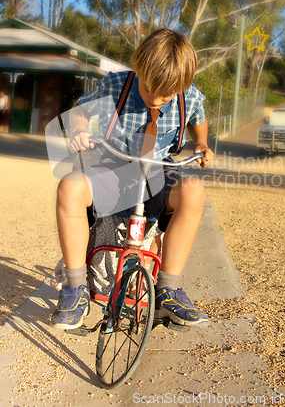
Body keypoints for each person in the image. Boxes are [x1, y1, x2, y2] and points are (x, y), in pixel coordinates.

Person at [51, 29, 214, 330]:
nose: (156, 100)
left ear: (184, 86)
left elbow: (198, 120)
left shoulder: (188, 95)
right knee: (70, 187)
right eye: (150, 89)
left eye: (166, 96)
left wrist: (201, 143)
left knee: (194, 190)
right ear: (138, 68)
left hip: (158, 168)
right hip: (115, 166)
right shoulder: (116, 84)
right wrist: (78, 130)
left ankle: (169, 288)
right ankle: (76, 289)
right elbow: (79, 111)